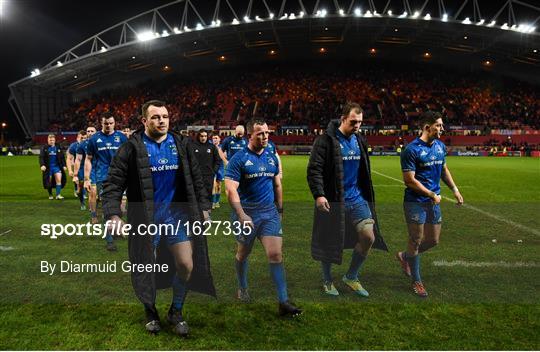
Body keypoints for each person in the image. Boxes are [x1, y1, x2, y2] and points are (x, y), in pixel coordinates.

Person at [102, 100, 215, 336]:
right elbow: (113, 183)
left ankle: (176, 310)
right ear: (144, 121)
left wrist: (204, 207)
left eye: (164, 116)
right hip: (145, 219)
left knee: (187, 264)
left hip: (177, 216)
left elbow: (197, 178)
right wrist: (113, 214)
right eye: (155, 117)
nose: (161, 120)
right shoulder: (131, 147)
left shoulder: (181, 143)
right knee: (146, 267)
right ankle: (150, 311)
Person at [307, 102, 387, 297]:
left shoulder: (359, 140)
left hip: (357, 198)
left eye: (360, 122)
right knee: (329, 241)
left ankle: (351, 276)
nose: (357, 126)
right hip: (334, 199)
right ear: (342, 119)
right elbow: (314, 169)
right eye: (353, 122)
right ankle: (327, 280)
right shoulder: (325, 141)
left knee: (369, 237)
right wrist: (319, 195)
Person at [225, 118, 301, 317]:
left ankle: (283, 301)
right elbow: (230, 190)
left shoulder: (272, 157)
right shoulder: (238, 159)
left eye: (267, 132)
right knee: (243, 253)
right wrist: (241, 215)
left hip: (269, 212)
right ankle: (242, 287)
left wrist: (280, 210)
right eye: (260, 133)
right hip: (247, 213)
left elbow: (277, 185)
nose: (265, 136)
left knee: (275, 254)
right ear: (251, 135)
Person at [396, 111, 463, 297]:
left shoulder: (440, 146)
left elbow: (443, 169)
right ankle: (417, 281)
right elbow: (409, 180)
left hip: (433, 201)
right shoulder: (411, 150)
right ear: (427, 127)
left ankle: (405, 256)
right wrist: (430, 193)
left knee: (433, 240)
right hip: (415, 202)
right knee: (416, 239)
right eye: (439, 125)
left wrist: (455, 190)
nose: (442, 128)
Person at [84, 112, 128, 251]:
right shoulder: (94, 139)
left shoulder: (121, 137)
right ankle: (109, 240)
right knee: (108, 208)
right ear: (101, 124)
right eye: (105, 123)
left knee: (121, 207)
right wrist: (86, 179)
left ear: (114, 123)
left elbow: (128, 157)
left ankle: (115, 228)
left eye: (111, 123)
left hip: (120, 177)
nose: (108, 126)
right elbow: (88, 159)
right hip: (103, 178)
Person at [189, 130, 220, 211]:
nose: (203, 138)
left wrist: (213, 171)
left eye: (205, 136)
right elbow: (188, 160)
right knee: (197, 194)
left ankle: (207, 214)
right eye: (202, 136)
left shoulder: (212, 147)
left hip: (208, 175)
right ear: (198, 136)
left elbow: (217, 161)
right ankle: (198, 214)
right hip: (196, 175)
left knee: (208, 194)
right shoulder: (192, 146)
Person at [74, 126, 97, 213]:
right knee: (92, 192)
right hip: (88, 170)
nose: (90, 133)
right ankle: (92, 212)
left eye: (92, 131)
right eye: (88, 131)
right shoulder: (82, 144)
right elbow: (78, 160)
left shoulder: (102, 141)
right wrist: (75, 174)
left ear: (96, 132)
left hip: (101, 170)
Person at [39, 134, 67, 200]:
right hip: (48, 168)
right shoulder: (44, 148)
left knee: (59, 180)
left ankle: (58, 195)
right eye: (50, 140)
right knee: (49, 181)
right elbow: (41, 157)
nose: (51, 141)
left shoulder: (58, 147)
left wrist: (64, 165)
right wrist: (42, 165)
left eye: (53, 140)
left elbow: (62, 157)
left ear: (55, 140)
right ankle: (50, 194)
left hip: (56, 167)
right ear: (48, 140)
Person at [211, 134, 227, 209]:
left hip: (220, 168)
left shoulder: (222, 148)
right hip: (212, 167)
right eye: (213, 138)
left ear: (219, 139)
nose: (215, 139)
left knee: (219, 186)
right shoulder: (210, 147)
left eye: (216, 138)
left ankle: (217, 201)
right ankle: (213, 202)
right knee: (213, 185)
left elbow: (224, 156)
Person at [67, 131, 85, 197]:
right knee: (79, 181)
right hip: (78, 166)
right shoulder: (74, 146)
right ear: (77, 138)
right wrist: (70, 170)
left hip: (89, 166)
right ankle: (78, 190)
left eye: (84, 138)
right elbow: (69, 158)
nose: (83, 139)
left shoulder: (89, 144)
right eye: (81, 138)